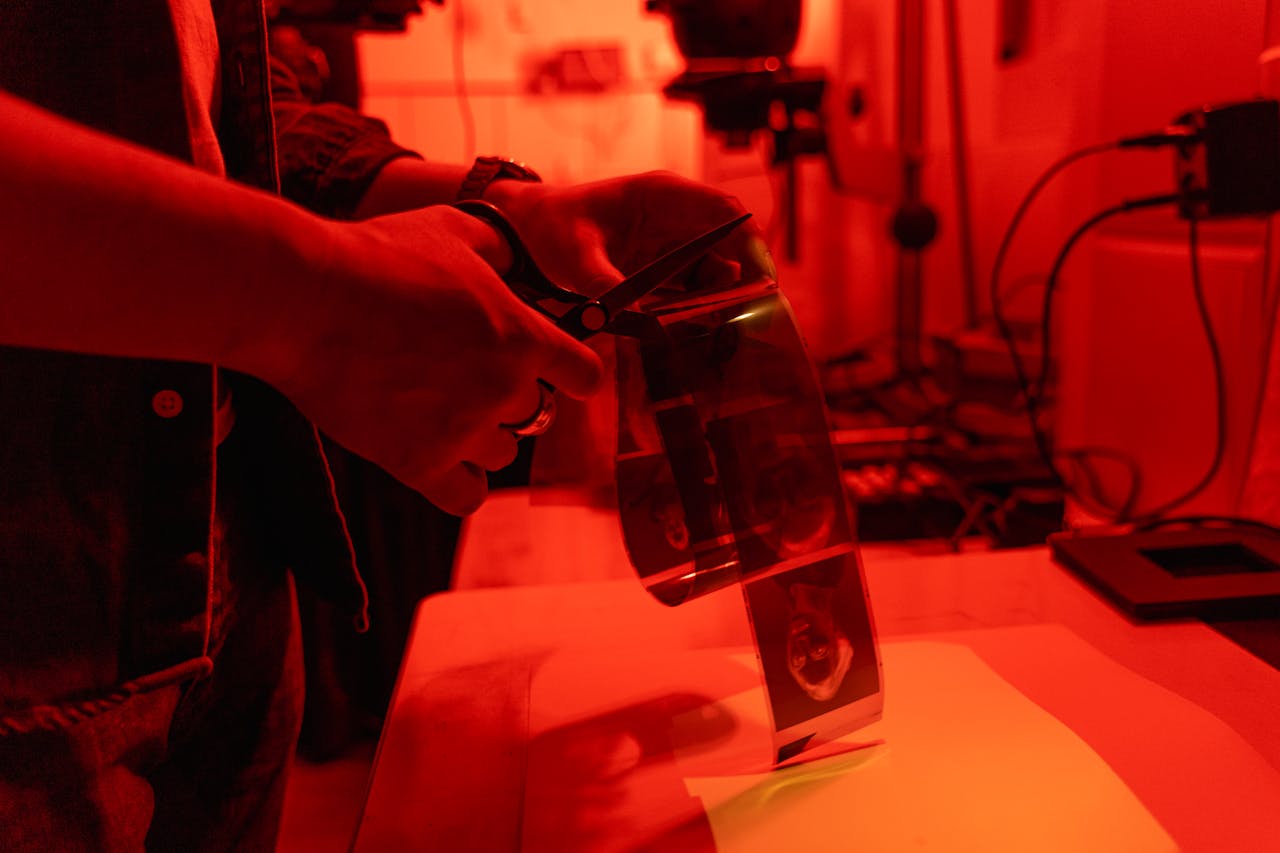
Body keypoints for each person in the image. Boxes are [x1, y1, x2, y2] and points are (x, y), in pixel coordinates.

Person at [0, 0, 772, 849]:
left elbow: (205, 120)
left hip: (233, 573)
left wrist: (510, 219)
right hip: (32, 628)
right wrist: (319, 305)